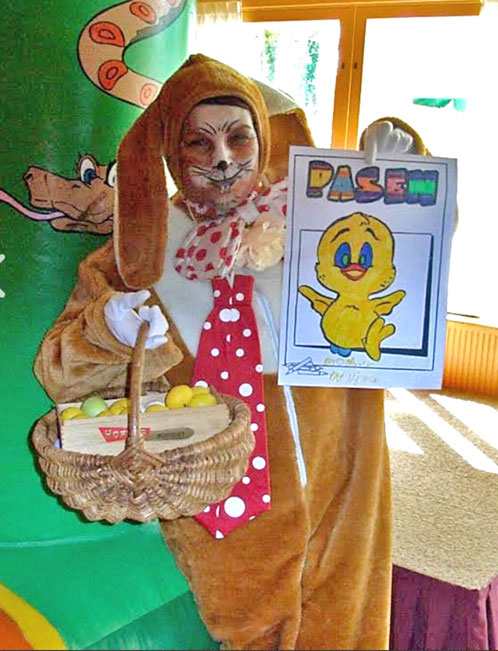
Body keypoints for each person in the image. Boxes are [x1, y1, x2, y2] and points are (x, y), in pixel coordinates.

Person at [35, 54, 425, 650]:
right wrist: (108, 328)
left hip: (341, 462)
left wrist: (397, 188)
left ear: (262, 139)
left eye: (239, 137)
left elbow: (411, 267)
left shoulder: (313, 215)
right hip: (219, 490)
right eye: (199, 141)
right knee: (251, 629)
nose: (222, 158)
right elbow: (59, 370)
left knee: (348, 621)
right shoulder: (140, 247)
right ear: (171, 153)